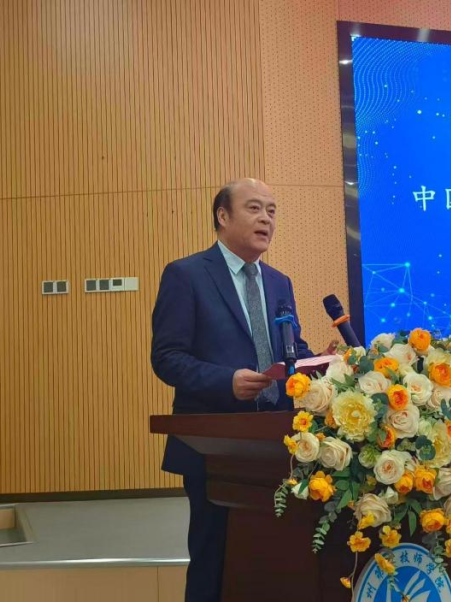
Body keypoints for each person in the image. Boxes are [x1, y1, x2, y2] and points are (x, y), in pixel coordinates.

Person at [151, 178, 314, 602]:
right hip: (215, 448)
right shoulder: (186, 274)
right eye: (255, 208)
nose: (267, 219)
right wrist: (227, 382)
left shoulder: (279, 282)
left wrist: (321, 364)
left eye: (272, 211)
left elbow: (291, 349)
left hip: (277, 446)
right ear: (222, 216)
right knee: (215, 560)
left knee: (274, 561)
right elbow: (167, 357)